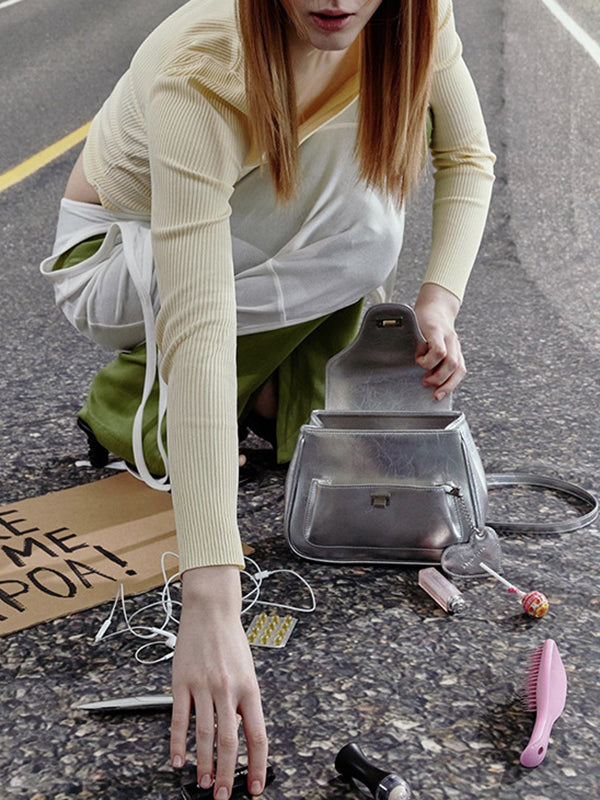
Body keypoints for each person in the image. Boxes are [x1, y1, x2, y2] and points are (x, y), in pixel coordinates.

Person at [40, 0, 495, 797]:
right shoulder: (206, 66)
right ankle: (130, 405)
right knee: (363, 226)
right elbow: (201, 322)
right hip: (111, 255)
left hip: (230, 229)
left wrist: (439, 304)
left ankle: (270, 401)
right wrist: (212, 603)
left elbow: (467, 155)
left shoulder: (420, 15)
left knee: (364, 205)